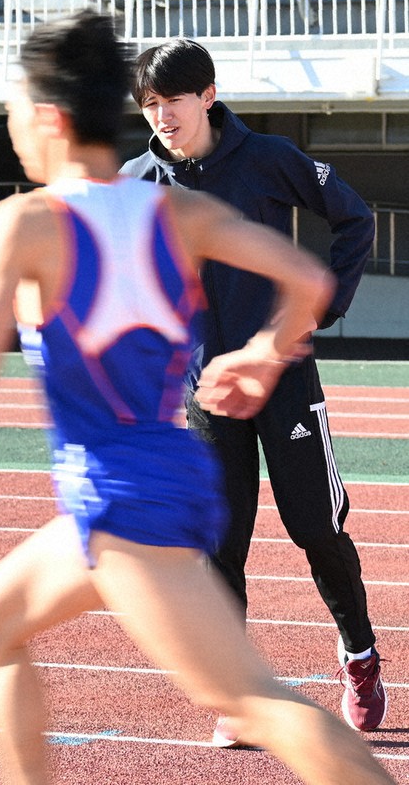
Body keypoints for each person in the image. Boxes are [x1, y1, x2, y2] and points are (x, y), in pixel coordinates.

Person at [0, 11, 395, 785]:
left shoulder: (21, 222)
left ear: (46, 117)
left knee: (255, 700)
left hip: (125, 500)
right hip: (146, 474)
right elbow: (308, 277)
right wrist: (259, 349)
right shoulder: (171, 206)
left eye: (11, 110)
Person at [120, 38, 387, 746]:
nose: (161, 117)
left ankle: (359, 657)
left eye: (171, 101)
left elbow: (354, 219)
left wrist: (315, 313)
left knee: (316, 530)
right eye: (148, 106)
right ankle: (236, 694)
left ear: (206, 94)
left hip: (284, 378)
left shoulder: (269, 159)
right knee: (219, 546)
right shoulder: (137, 180)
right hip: (203, 393)